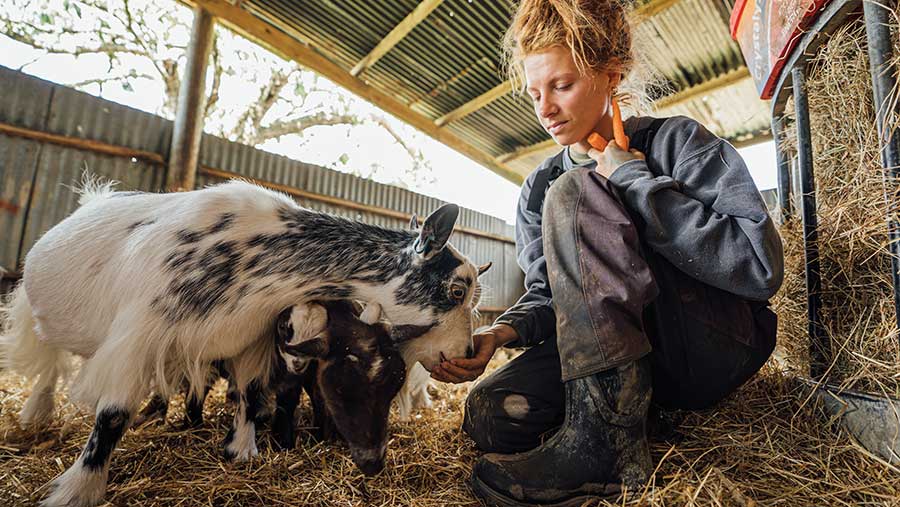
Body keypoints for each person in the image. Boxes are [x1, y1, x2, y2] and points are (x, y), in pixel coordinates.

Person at [429, 0, 785, 505]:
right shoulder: (536, 188)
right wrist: (502, 331)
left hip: (704, 344)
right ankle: (629, 420)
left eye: (562, 85)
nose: (545, 109)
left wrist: (632, 179)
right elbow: (548, 294)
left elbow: (760, 267)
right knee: (493, 412)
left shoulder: (679, 142)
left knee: (577, 192)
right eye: (535, 93)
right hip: (612, 359)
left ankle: (608, 453)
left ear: (610, 75)